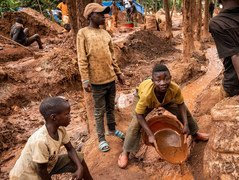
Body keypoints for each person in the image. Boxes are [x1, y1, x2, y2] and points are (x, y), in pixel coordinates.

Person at [117, 64, 209, 169]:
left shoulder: (174, 88)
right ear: (152, 80)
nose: (163, 83)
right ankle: (126, 152)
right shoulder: (146, 95)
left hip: (166, 99)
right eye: (158, 80)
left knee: (184, 113)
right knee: (135, 124)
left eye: (166, 79)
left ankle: (195, 134)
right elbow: (139, 115)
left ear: (170, 78)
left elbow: (181, 104)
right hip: (148, 101)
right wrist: (150, 135)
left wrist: (186, 124)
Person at [77, 3, 126, 152]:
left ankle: (112, 129)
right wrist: (85, 79)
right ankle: (101, 138)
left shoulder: (106, 34)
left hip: (110, 79)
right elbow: (82, 59)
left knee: (110, 107)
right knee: (99, 111)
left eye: (104, 14)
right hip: (96, 82)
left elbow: (112, 57)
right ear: (91, 15)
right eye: (100, 14)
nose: (104, 17)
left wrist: (118, 74)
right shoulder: (83, 33)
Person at [9, 97, 93, 180]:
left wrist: (80, 168)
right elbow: (41, 170)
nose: (70, 117)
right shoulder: (40, 141)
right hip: (27, 175)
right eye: (67, 114)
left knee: (79, 158)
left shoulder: (60, 129)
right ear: (54, 117)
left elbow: (70, 149)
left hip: (48, 164)